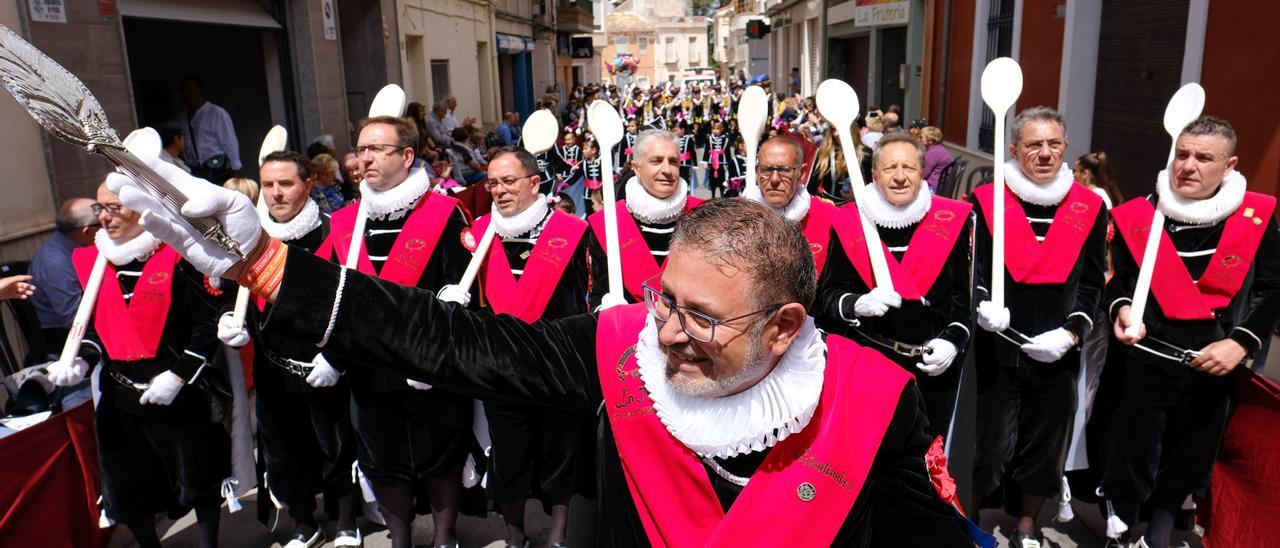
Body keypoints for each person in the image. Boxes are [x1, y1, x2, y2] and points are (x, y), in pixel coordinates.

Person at [116, 171, 983, 544]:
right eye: (663, 297)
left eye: (703, 318)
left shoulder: (877, 401)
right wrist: (273, 268)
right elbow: (457, 342)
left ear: (787, 325)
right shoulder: (619, 351)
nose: (669, 330)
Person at [1102, 116, 1280, 548]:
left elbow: (1273, 289)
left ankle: (1161, 528)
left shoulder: (1256, 216)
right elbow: (1121, 280)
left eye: (1204, 157)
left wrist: (1241, 343)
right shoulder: (1143, 213)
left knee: (1191, 455)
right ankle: (1122, 528)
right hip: (1146, 360)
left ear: (1230, 165)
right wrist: (1123, 309)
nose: (1188, 165)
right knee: (1132, 453)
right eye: (1182, 154)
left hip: (1214, 366)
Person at [316, 115, 474, 548]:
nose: (363, 158)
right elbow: (333, 295)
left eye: (376, 149)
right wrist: (332, 353)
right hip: (369, 367)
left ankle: (444, 538)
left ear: (406, 156)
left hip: (429, 368)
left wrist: (436, 354)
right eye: (360, 148)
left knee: (441, 457)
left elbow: (461, 293)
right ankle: (399, 538)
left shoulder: (445, 214)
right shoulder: (344, 221)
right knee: (383, 462)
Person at [47, 179, 229, 548]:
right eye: (100, 208)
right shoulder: (91, 260)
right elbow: (98, 330)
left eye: (114, 207)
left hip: (176, 389)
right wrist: (81, 362)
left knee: (197, 479)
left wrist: (178, 377)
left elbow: (206, 326)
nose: (104, 217)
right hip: (121, 394)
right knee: (128, 487)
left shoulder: (180, 254)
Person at [439, 148, 593, 548]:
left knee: (561, 449)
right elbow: (470, 297)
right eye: (493, 182)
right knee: (509, 455)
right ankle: (513, 535)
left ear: (533, 183)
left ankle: (558, 534)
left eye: (509, 181)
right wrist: (456, 300)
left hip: (557, 363)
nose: (500, 190)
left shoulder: (571, 231)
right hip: (501, 366)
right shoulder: (480, 233)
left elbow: (582, 298)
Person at [968, 106, 1108, 548]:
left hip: (1057, 352)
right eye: (1033, 144)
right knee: (987, 450)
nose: (1044, 153)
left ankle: (1026, 524)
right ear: (1014, 149)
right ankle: (970, 519)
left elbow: (1092, 282)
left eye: (1053, 144)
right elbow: (969, 273)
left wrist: (1071, 333)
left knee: (1044, 448)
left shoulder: (1090, 206)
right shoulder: (985, 200)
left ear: (1065, 147)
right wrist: (981, 307)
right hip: (997, 349)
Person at [216, 151, 360, 548]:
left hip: (326, 365)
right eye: (268, 185)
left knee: (337, 448)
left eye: (286, 184)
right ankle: (304, 524)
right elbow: (231, 295)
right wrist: (232, 321)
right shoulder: (249, 240)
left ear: (308, 185)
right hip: (274, 367)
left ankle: (348, 521)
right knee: (283, 452)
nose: (276, 193)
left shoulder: (335, 233)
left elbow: (356, 304)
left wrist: (337, 357)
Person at [812, 133, 975, 438]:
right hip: (868, 370)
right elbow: (826, 298)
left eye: (909, 168)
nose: (900, 177)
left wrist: (952, 341)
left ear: (922, 172)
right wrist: (855, 304)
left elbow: (962, 303)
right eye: (890, 169)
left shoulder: (953, 220)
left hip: (932, 374)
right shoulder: (848, 222)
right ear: (874, 175)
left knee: (929, 469)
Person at [587, 129, 705, 309]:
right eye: (656, 161)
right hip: (631, 331)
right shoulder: (607, 223)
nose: (667, 170)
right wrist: (606, 309)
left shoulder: (705, 215)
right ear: (636, 168)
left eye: (673, 162)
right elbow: (598, 294)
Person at [29, 197, 98, 348]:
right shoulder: (57, 263)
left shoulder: (77, 246)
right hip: (67, 341)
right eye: (102, 223)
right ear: (87, 231)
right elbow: (75, 319)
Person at [180, 74, 241, 182]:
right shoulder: (185, 115)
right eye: (183, 89)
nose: (186, 93)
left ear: (200, 90)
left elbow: (229, 142)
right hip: (196, 171)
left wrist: (235, 170)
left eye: (189, 88)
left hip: (216, 169)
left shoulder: (216, 113)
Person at [921, 126, 954, 192]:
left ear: (930, 140)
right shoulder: (939, 149)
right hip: (940, 186)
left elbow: (923, 174)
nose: (919, 139)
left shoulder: (933, 153)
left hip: (933, 188)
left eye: (921, 137)